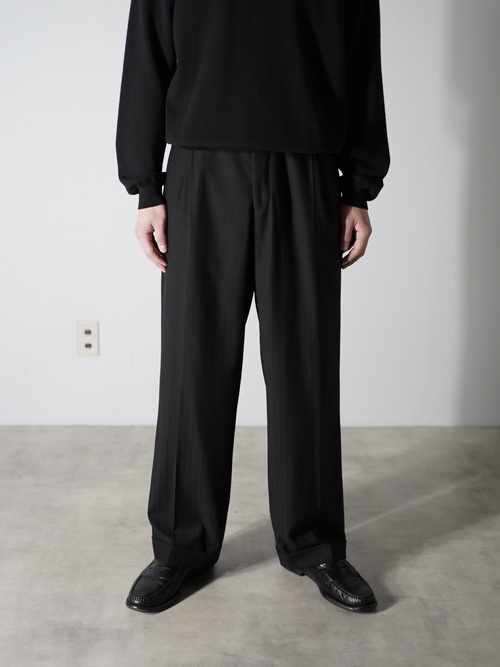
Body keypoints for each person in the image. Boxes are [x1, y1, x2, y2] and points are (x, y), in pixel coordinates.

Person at [115, 0, 390, 614]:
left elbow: (360, 66)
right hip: (200, 169)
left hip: (308, 170)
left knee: (304, 364)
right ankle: (181, 545)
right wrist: (146, 186)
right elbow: (146, 56)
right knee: (193, 363)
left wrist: (358, 186)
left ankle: (315, 543)